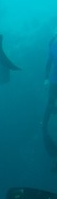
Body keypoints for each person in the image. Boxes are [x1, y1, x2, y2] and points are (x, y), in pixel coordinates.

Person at [42, 30, 57, 163]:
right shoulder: (53, 46)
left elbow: (47, 65)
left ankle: (44, 127)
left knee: (51, 102)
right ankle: (45, 128)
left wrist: (46, 78)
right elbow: (48, 64)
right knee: (51, 103)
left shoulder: (52, 46)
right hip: (54, 80)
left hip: (53, 80)